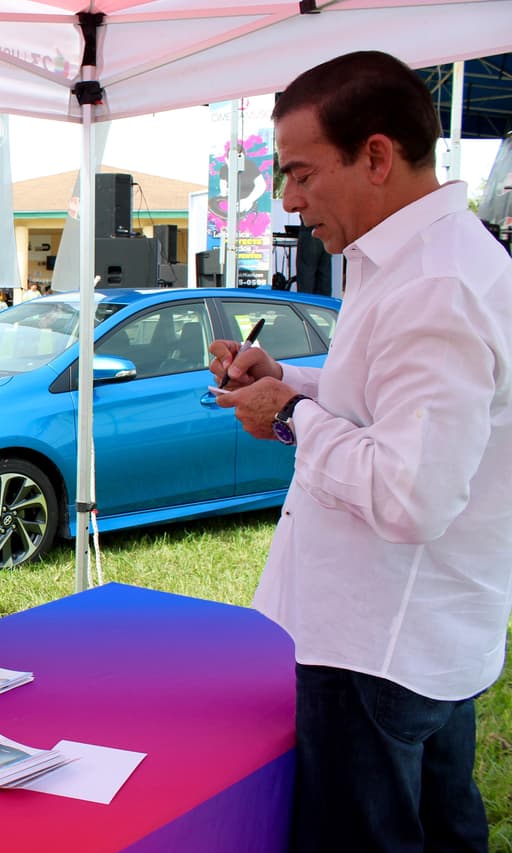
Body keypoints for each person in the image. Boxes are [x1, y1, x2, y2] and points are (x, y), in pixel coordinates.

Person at [210, 50, 512, 853]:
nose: (291, 200)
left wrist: (288, 419)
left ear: (375, 156)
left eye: (302, 173)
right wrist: (293, 382)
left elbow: (412, 493)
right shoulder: (427, 260)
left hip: (378, 647)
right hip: (408, 636)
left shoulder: (433, 283)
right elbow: (389, 399)